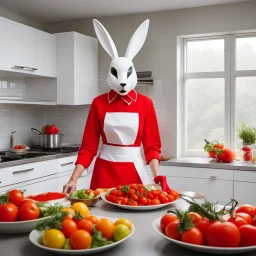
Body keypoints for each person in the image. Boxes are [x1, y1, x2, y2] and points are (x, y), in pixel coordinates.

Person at [63, 19, 161, 194]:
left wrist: (156, 174)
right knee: (101, 219)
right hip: (104, 172)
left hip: (135, 172)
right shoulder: (98, 103)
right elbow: (88, 147)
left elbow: (152, 146)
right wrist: (74, 178)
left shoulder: (146, 104)